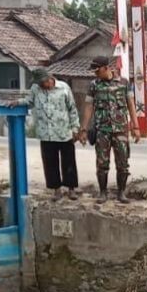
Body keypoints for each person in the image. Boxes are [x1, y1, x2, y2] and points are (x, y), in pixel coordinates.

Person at [79, 55, 140, 203]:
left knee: (123, 163)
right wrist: (83, 129)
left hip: (121, 130)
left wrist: (135, 126)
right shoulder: (94, 85)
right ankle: (102, 193)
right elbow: (88, 107)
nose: (95, 73)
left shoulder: (124, 83)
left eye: (97, 70)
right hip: (102, 130)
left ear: (106, 68)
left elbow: (131, 104)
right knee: (102, 163)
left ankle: (121, 193)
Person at [28, 68, 80, 201]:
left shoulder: (63, 88)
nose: (40, 85)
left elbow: (72, 108)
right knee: (50, 163)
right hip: (46, 133)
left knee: (68, 162)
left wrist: (75, 128)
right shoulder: (35, 89)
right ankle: (56, 190)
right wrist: (17, 103)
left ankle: (71, 189)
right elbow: (29, 102)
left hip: (64, 132)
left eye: (42, 82)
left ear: (49, 79)